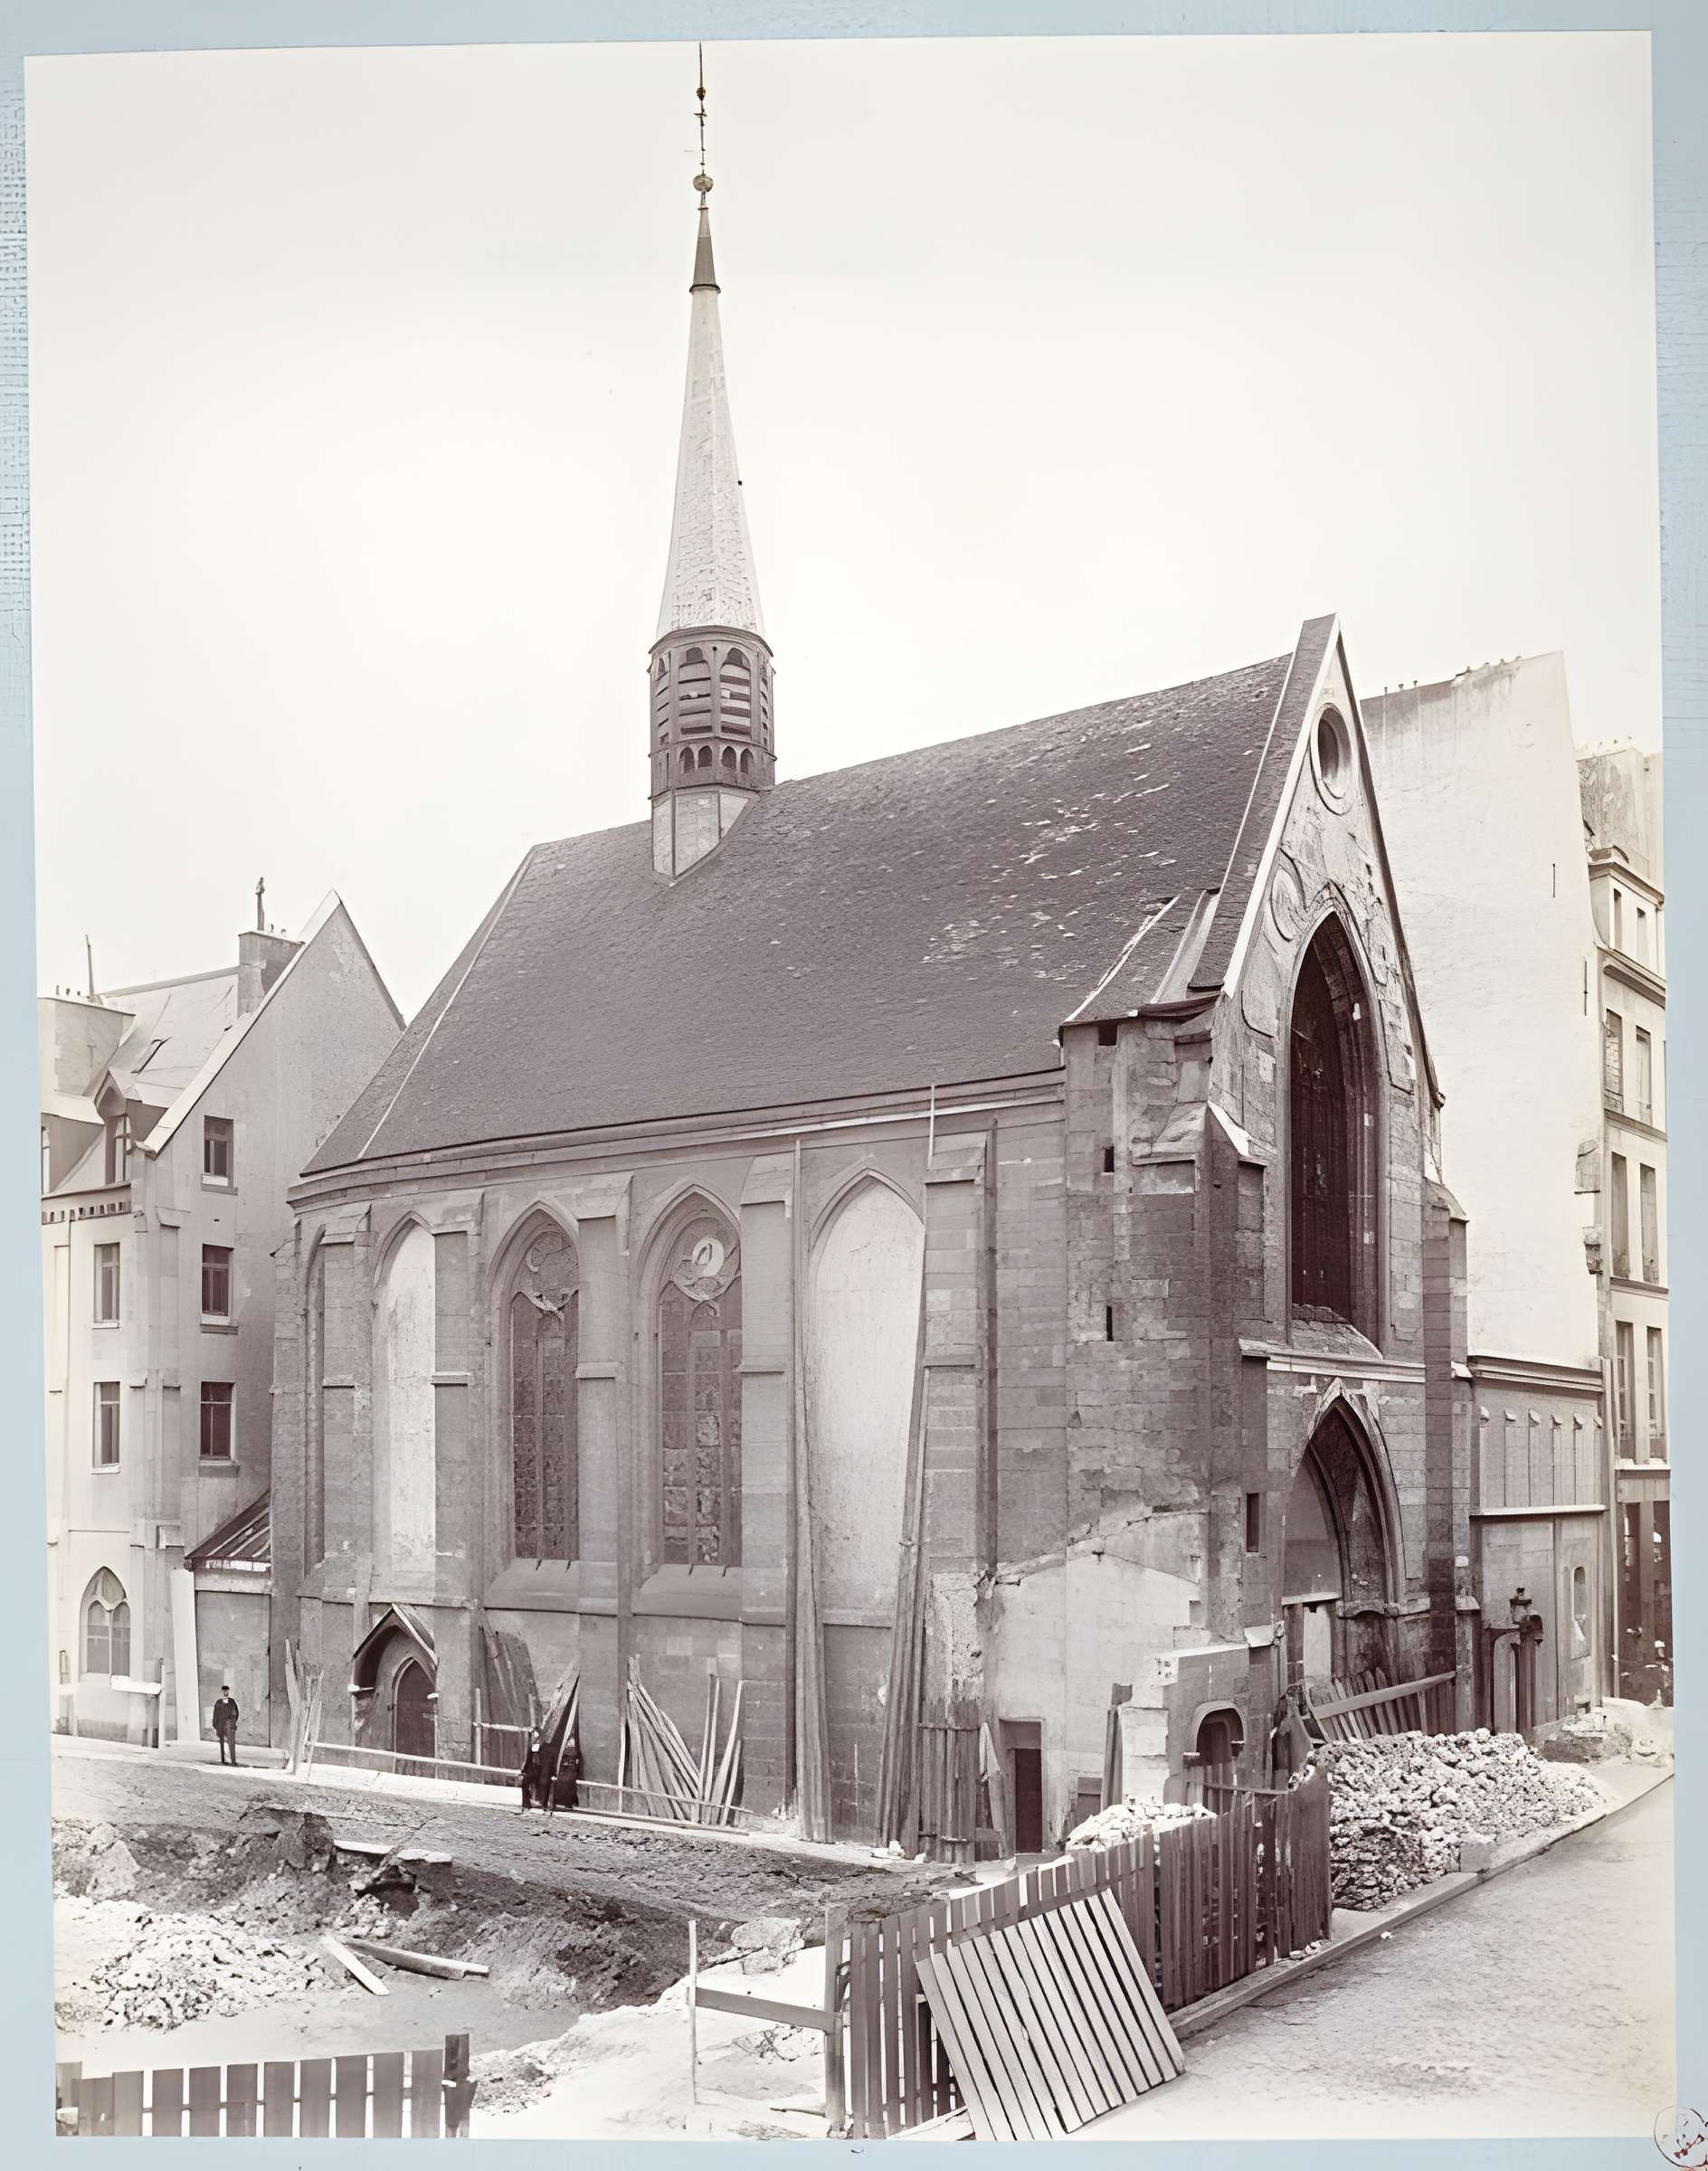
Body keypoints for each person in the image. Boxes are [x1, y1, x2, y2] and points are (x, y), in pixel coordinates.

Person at [212, 1684, 241, 1767]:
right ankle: (223, 1760)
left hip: (229, 1725)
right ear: (221, 1692)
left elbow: (236, 1713)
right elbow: (215, 1714)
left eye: (226, 1691)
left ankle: (233, 1762)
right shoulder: (218, 1702)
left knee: (231, 1743)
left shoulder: (232, 1702)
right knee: (222, 1743)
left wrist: (232, 1722)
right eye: (224, 1691)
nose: (225, 1692)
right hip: (220, 1725)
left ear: (228, 1692)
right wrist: (216, 1725)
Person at [517, 1728, 546, 1813]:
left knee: (526, 1782)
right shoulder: (534, 1743)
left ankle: (527, 1803)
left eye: (535, 1733)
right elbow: (528, 1757)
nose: (534, 1735)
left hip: (538, 1768)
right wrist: (524, 1770)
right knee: (524, 1783)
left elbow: (533, 1752)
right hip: (533, 1767)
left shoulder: (540, 1743)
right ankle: (526, 1803)